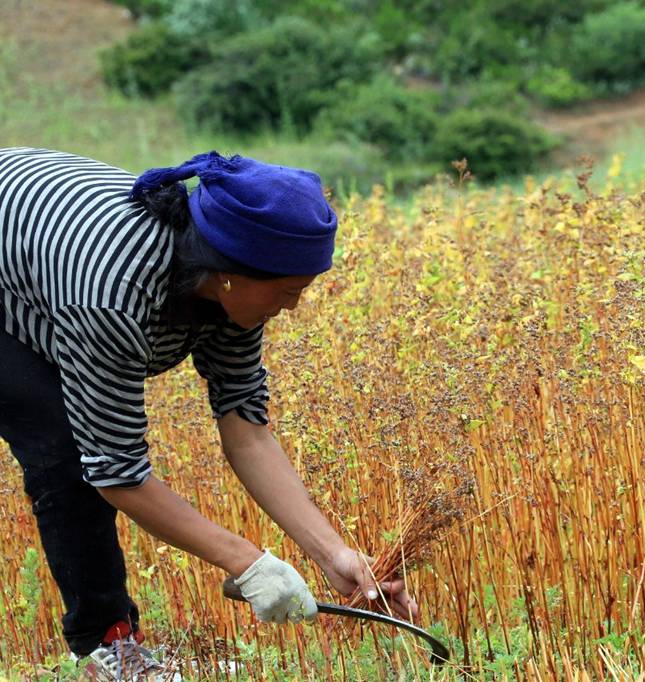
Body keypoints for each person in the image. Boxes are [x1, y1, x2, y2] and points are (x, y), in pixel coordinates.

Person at [0, 147, 418, 680]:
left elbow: (247, 431)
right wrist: (245, 562)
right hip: (20, 269)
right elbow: (116, 471)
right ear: (228, 273)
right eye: (289, 291)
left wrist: (334, 555)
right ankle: (108, 646)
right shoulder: (113, 299)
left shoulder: (228, 287)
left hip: (39, 243)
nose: (293, 307)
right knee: (61, 453)